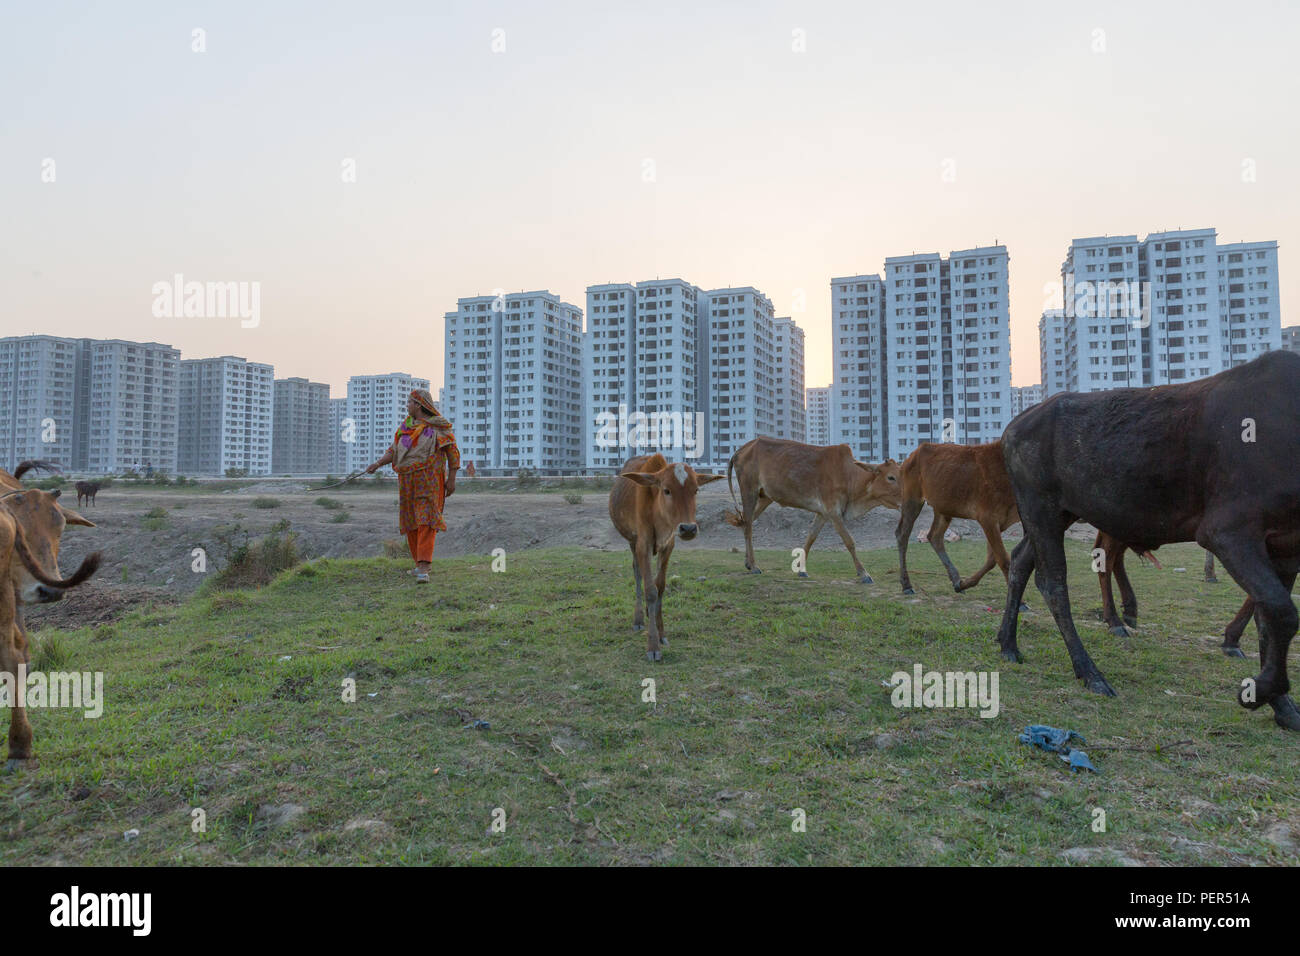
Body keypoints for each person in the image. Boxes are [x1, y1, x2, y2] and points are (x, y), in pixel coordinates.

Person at [366, 389, 459, 583]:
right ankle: (418, 564)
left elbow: (452, 453)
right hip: (408, 483)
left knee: (426, 520)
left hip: (430, 483)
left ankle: (424, 567)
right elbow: (394, 451)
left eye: (409, 403)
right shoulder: (405, 428)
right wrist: (377, 464)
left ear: (418, 405)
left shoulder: (438, 428)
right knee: (411, 522)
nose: (407, 406)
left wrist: (451, 478)